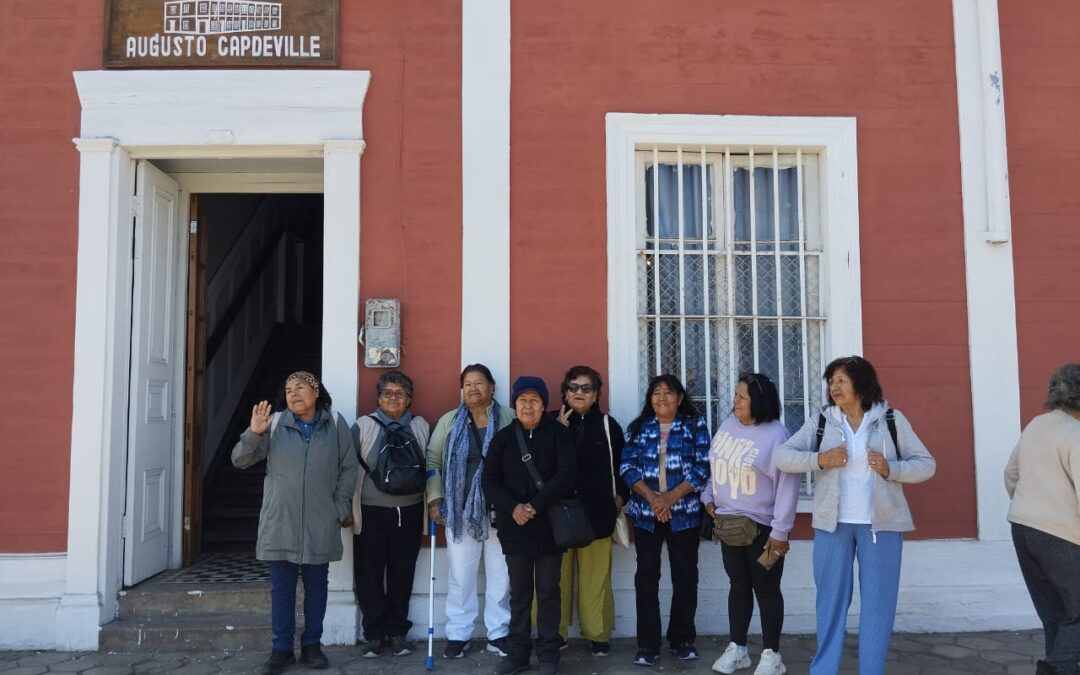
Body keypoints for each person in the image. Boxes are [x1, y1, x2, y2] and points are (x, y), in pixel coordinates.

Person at [774, 355, 936, 675]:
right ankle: (824, 670)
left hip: (883, 526)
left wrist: (892, 468)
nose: (834, 387)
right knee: (830, 604)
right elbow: (782, 456)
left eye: (841, 381)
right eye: (831, 382)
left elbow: (926, 464)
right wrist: (821, 460)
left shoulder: (891, 420)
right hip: (832, 526)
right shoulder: (822, 421)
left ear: (861, 384)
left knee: (877, 606)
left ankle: (871, 670)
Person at [231, 371, 358, 675]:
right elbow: (240, 459)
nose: (293, 394)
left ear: (317, 392)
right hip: (280, 521)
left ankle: (312, 645)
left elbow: (348, 468)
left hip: (320, 520)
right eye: (288, 389)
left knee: (317, 587)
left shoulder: (335, 423)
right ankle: (281, 650)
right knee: (282, 589)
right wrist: (253, 432)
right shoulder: (274, 424)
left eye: (300, 387)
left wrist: (338, 508)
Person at [704, 374, 798, 675]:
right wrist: (709, 496)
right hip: (729, 524)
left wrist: (780, 531)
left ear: (758, 401)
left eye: (741, 397)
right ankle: (738, 648)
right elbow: (715, 464)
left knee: (767, 590)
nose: (735, 401)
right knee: (738, 587)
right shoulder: (728, 425)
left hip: (764, 529)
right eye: (735, 395)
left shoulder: (777, 435)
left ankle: (772, 654)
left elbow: (787, 485)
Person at [483, 376, 577, 675]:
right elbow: (489, 481)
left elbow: (566, 475)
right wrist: (513, 508)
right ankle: (518, 654)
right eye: (522, 400)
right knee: (520, 594)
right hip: (515, 529)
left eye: (534, 400)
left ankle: (549, 655)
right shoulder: (503, 439)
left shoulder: (559, 435)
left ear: (544, 405)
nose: (528, 405)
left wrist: (534, 505)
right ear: (515, 404)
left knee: (549, 592)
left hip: (550, 527)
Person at [620, 374, 711, 667]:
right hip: (647, 514)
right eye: (656, 392)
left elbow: (703, 466)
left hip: (683, 514)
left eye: (668, 392)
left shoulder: (694, 425)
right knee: (646, 577)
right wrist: (654, 499)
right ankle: (647, 645)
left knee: (685, 576)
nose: (662, 397)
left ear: (680, 398)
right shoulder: (639, 428)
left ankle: (682, 640)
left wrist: (670, 498)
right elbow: (627, 467)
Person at [426, 364, 515, 659]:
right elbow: (433, 460)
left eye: (480, 383)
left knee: (500, 575)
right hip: (459, 511)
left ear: (492, 387)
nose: (473, 388)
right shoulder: (450, 421)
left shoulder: (508, 418)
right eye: (467, 383)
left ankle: (498, 633)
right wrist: (435, 498)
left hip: (501, 511)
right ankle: (458, 633)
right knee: (460, 576)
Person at [1005, 363, 1080, 675]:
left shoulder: (1038, 424)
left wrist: (1031, 506)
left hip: (1023, 528)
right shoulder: (1075, 433)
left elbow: (1011, 474)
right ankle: (1055, 669)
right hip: (1063, 535)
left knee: (1055, 616)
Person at [349, 371, 431, 658]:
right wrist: (346, 507)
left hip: (409, 512)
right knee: (369, 574)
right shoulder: (363, 426)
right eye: (387, 393)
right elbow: (348, 468)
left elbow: (430, 467)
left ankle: (398, 632)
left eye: (400, 393)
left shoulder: (421, 426)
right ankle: (372, 634)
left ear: (409, 399)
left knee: (402, 574)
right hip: (370, 512)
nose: (393, 398)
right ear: (378, 397)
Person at [549, 365, 629, 657]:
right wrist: (558, 432)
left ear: (596, 394)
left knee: (596, 578)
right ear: (564, 392)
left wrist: (619, 500)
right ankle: (553, 633)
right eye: (573, 387)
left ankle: (597, 633)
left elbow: (624, 468)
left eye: (586, 388)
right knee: (555, 578)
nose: (579, 393)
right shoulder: (549, 423)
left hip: (597, 516)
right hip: (557, 516)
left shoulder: (609, 426)